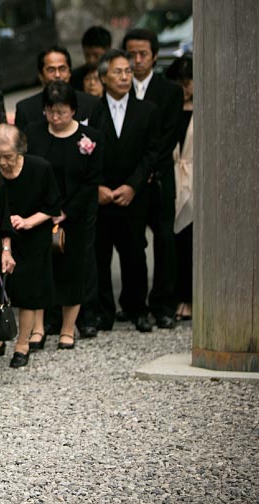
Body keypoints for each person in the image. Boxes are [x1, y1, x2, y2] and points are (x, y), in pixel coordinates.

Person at [26, 81, 104, 350]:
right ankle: (38, 328)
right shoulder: (34, 134)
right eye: (50, 112)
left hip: (76, 215)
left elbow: (91, 182)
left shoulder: (89, 138)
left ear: (73, 110)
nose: (55, 118)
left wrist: (65, 212)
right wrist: (46, 210)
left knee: (74, 270)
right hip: (40, 213)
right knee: (39, 271)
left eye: (61, 112)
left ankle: (68, 329)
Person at [89, 49, 160, 333]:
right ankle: (103, 311)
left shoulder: (147, 110)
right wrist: (97, 187)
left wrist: (133, 185)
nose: (124, 77)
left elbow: (151, 153)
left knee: (135, 254)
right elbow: (85, 152)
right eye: (117, 72)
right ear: (103, 77)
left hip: (134, 195)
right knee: (100, 255)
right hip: (101, 195)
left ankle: (137, 308)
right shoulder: (91, 111)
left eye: (128, 71)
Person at [124, 28, 184, 330]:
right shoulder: (120, 89)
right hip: (130, 181)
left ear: (155, 56)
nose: (137, 60)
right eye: (131, 54)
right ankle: (135, 304)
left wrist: (146, 173)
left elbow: (168, 138)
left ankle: (164, 303)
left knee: (164, 241)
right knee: (132, 243)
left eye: (143, 54)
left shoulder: (170, 91)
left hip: (159, 177)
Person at [0, 125, 61, 367]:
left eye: (7, 156)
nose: (2, 162)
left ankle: (23, 344)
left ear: (20, 150)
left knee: (30, 293)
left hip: (33, 236)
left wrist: (28, 221)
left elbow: (52, 206)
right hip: (1, 236)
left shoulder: (40, 168)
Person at [15, 46, 105, 131]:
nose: (57, 75)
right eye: (51, 70)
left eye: (62, 69)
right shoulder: (26, 110)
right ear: (40, 76)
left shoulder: (91, 104)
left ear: (70, 73)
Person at [166, 55, 193, 322]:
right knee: (174, 241)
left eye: (188, 81)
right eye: (180, 82)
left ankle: (192, 296)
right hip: (174, 174)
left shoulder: (207, 107)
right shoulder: (171, 108)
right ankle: (177, 295)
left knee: (193, 240)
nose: (184, 88)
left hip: (198, 177)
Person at [70, 26, 112, 92]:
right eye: (87, 55)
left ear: (107, 51)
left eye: (96, 55)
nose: (91, 60)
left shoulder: (116, 76)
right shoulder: (75, 78)